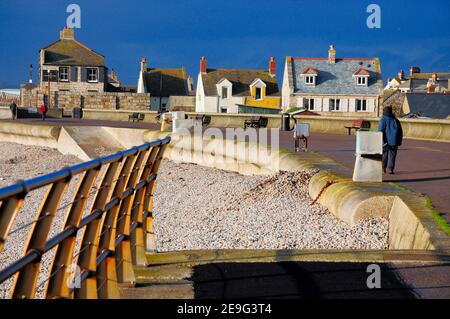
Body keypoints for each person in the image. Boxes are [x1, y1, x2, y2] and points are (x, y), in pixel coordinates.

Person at [378, 106, 403, 174]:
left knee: (384, 155)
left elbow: (380, 131)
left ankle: (383, 168)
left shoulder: (383, 120)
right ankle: (390, 169)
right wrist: (399, 141)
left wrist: (383, 142)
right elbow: (400, 132)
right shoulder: (396, 120)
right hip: (394, 141)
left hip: (385, 141)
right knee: (392, 155)